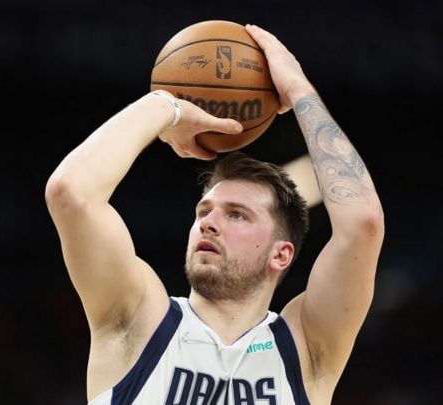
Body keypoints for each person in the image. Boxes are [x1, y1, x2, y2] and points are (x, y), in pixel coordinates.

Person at [45, 24, 384, 405]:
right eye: (204, 211)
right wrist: (166, 106)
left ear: (281, 253)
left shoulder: (304, 349)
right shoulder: (138, 318)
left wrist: (299, 90)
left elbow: (362, 224)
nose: (208, 223)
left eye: (237, 215)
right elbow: (71, 194)